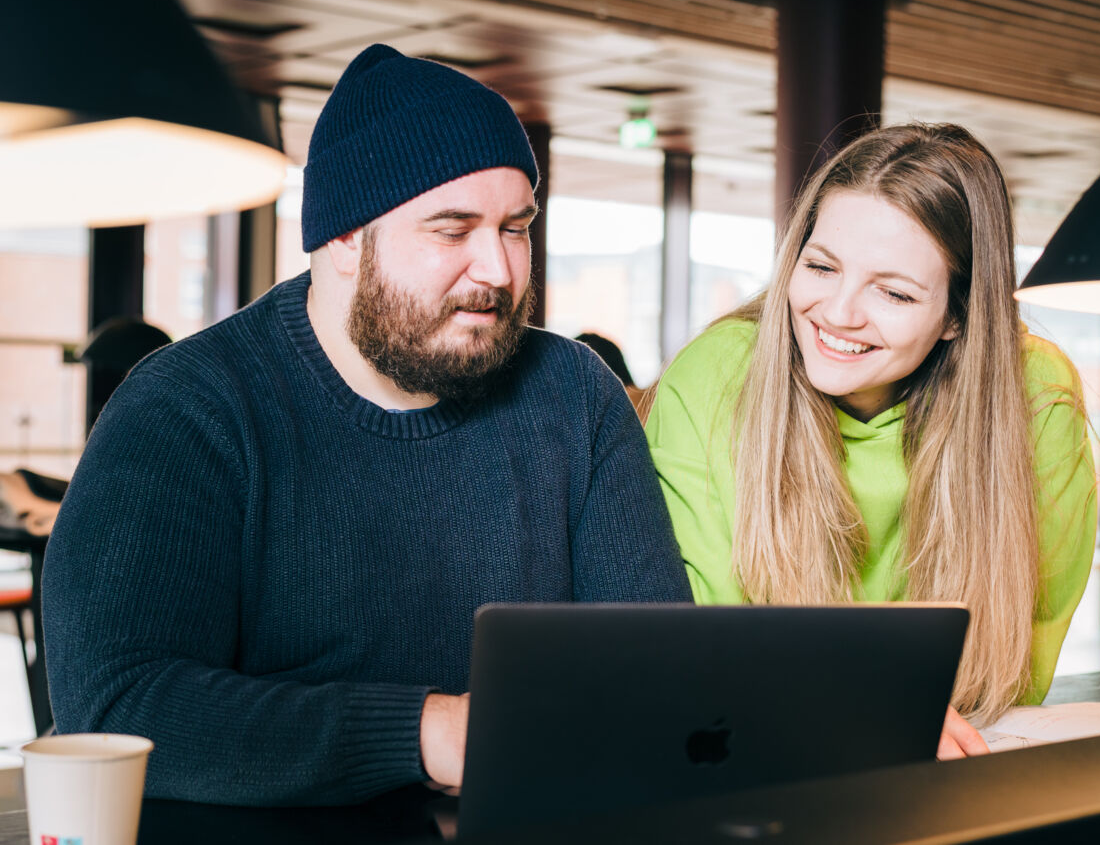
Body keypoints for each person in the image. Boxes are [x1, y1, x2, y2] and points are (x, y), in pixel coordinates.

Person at [43, 43, 690, 806]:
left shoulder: (575, 396)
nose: (498, 271)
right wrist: (426, 732)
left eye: (515, 228)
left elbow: (659, 670)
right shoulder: (189, 407)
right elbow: (115, 707)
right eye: (453, 230)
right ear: (345, 238)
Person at [644, 123, 1096, 759]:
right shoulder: (714, 375)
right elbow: (699, 639)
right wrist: (873, 709)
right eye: (821, 266)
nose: (838, 313)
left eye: (894, 292)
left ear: (959, 315)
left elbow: (1026, 647)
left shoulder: (1035, 391)